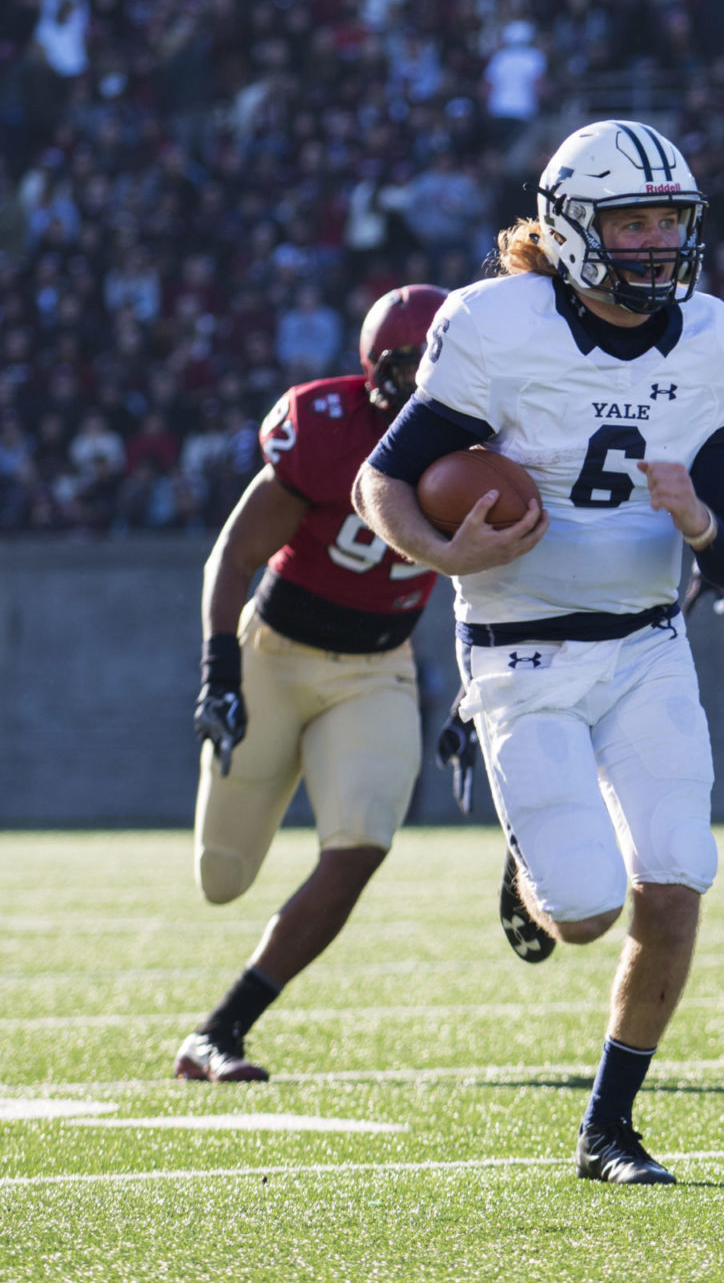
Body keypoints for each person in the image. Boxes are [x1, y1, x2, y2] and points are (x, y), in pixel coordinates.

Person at [352, 120, 724, 1184]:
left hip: (644, 644)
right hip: (516, 649)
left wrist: (702, 522)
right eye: (629, 220)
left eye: (667, 220)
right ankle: (531, 860)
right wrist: (444, 548)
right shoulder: (496, 325)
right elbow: (383, 482)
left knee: (675, 881)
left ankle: (609, 1127)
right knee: (582, 913)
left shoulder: (718, 342)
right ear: (570, 227)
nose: (653, 243)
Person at [179, 283, 448, 1083]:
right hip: (277, 655)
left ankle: (222, 1030)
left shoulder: (489, 443)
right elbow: (234, 553)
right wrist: (219, 667)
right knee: (221, 877)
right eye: (415, 363)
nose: (431, 380)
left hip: (379, 668)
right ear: (377, 370)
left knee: (360, 844)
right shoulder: (325, 427)